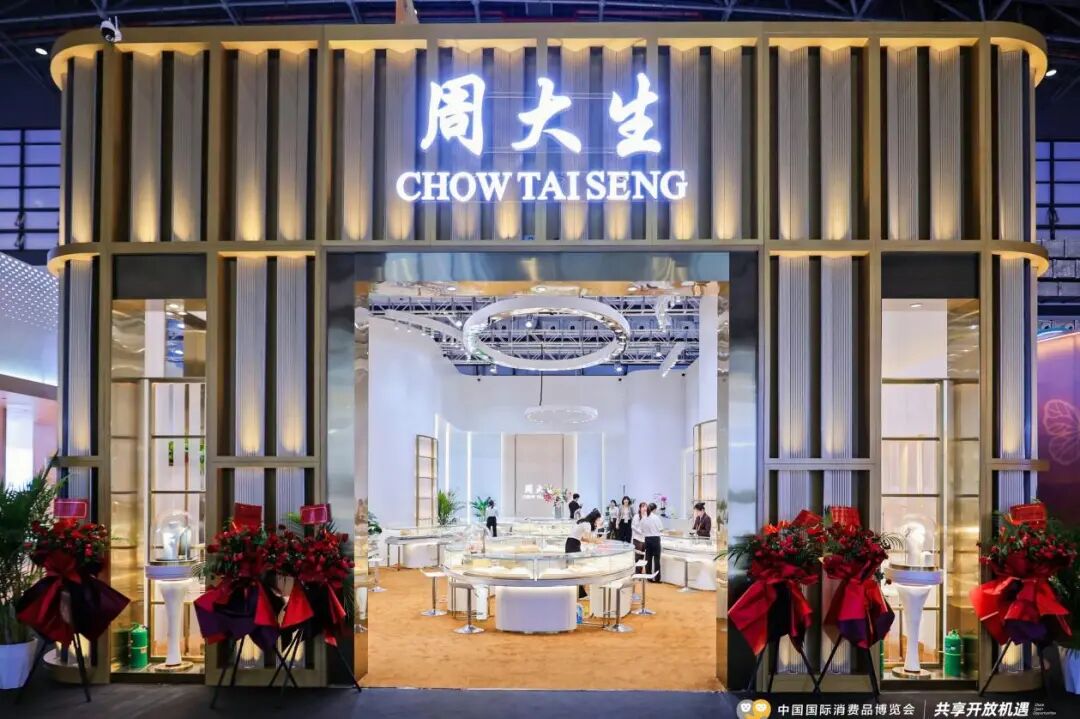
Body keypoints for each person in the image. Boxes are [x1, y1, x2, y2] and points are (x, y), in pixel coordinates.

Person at [566, 509, 603, 598]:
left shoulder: (582, 521)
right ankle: (579, 593)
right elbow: (588, 538)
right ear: (595, 518)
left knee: (574, 568)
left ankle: (579, 593)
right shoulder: (587, 524)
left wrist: (594, 540)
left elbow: (582, 538)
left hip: (570, 543)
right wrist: (597, 541)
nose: (597, 521)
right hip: (573, 544)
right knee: (577, 568)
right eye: (597, 519)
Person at [640, 503, 664, 582]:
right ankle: (657, 579)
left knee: (648, 559)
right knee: (656, 559)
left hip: (647, 539)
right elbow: (661, 529)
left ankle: (649, 578)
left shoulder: (644, 518)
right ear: (654, 509)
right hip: (655, 539)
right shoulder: (656, 517)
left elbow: (641, 529)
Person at [631, 501, 647, 573]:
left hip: (644, 539)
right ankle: (636, 572)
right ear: (640, 508)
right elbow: (633, 526)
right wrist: (640, 532)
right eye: (643, 507)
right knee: (637, 556)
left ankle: (639, 572)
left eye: (645, 507)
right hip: (637, 539)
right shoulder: (636, 516)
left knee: (642, 557)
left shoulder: (647, 516)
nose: (644, 508)